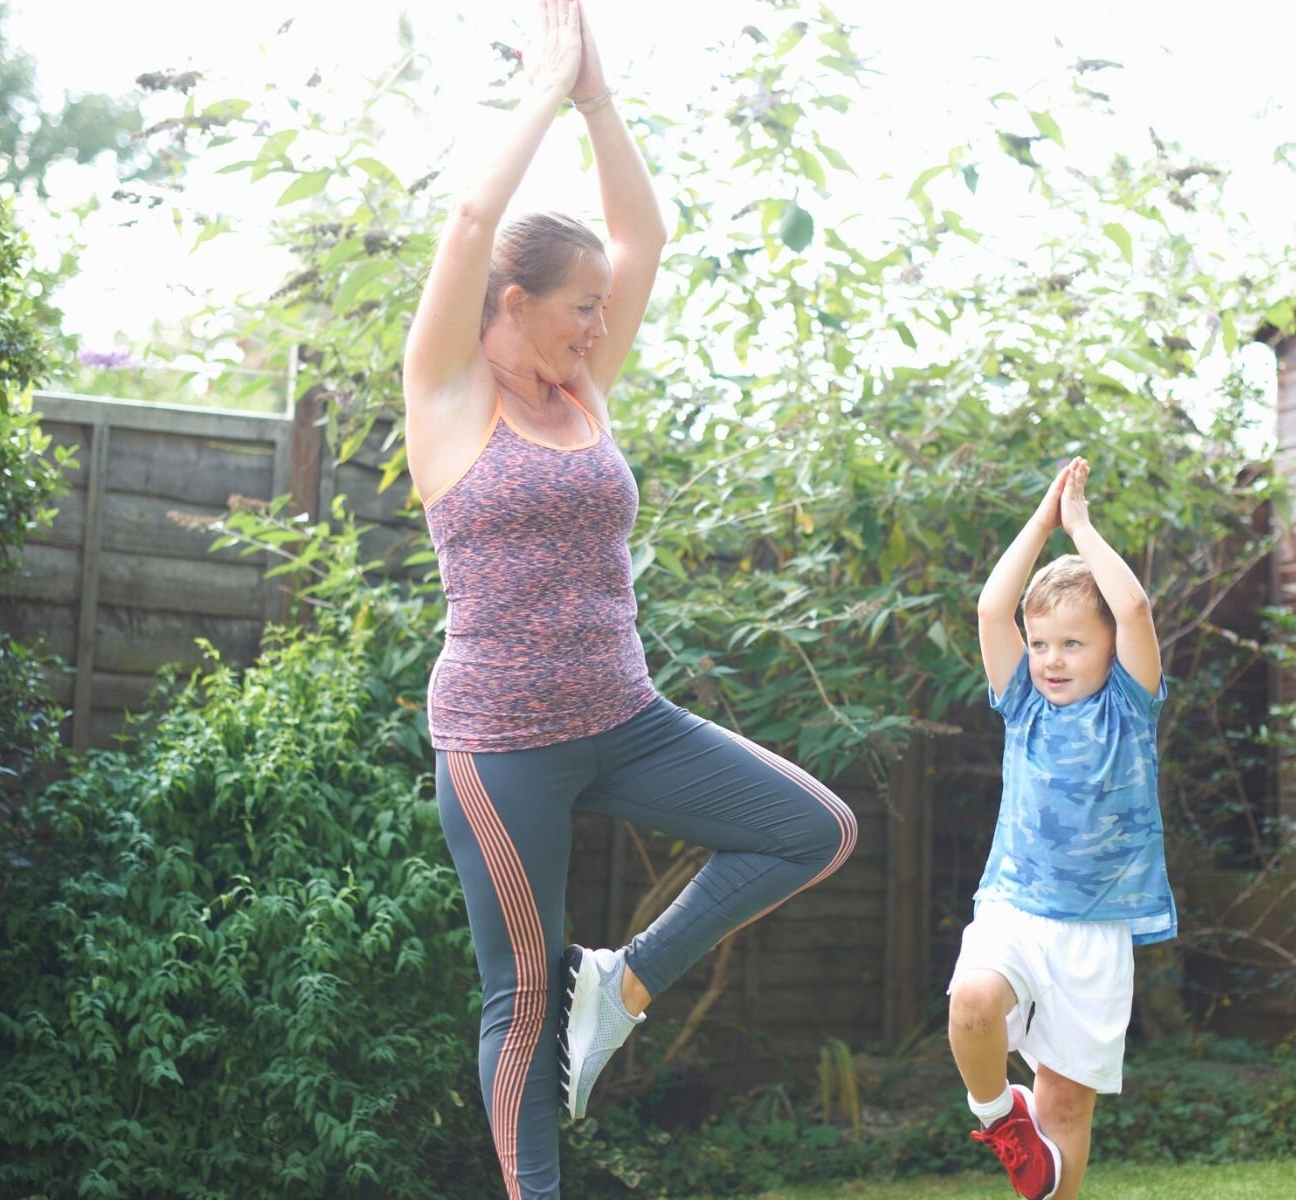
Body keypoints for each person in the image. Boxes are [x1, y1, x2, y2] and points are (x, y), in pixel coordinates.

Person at [399, 3, 858, 1196]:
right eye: (578, 307)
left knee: (812, 829)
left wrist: (599, 98)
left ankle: (632, 983)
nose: (602, 326)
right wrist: (543, 90)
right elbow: (466, 222)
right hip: (502, 745)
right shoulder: (450, 398)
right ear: (510, 305)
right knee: (522, 991)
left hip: (626, 717)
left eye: (603, 308)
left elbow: (642, 234)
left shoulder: (581, 389)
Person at [946, 457, 1176, 1200]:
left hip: (1097, 929)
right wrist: (1043, 523)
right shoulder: (1023, 704)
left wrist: (1081, 527)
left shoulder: (1130, 707)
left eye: (1073, 644)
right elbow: (990, 611)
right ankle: (995, 1112)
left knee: (1066, 1105)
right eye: (1042, 643)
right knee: (972, 1003)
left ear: (1109, 648)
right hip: (1015, 904)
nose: (1051, 659)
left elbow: (1135, 608)